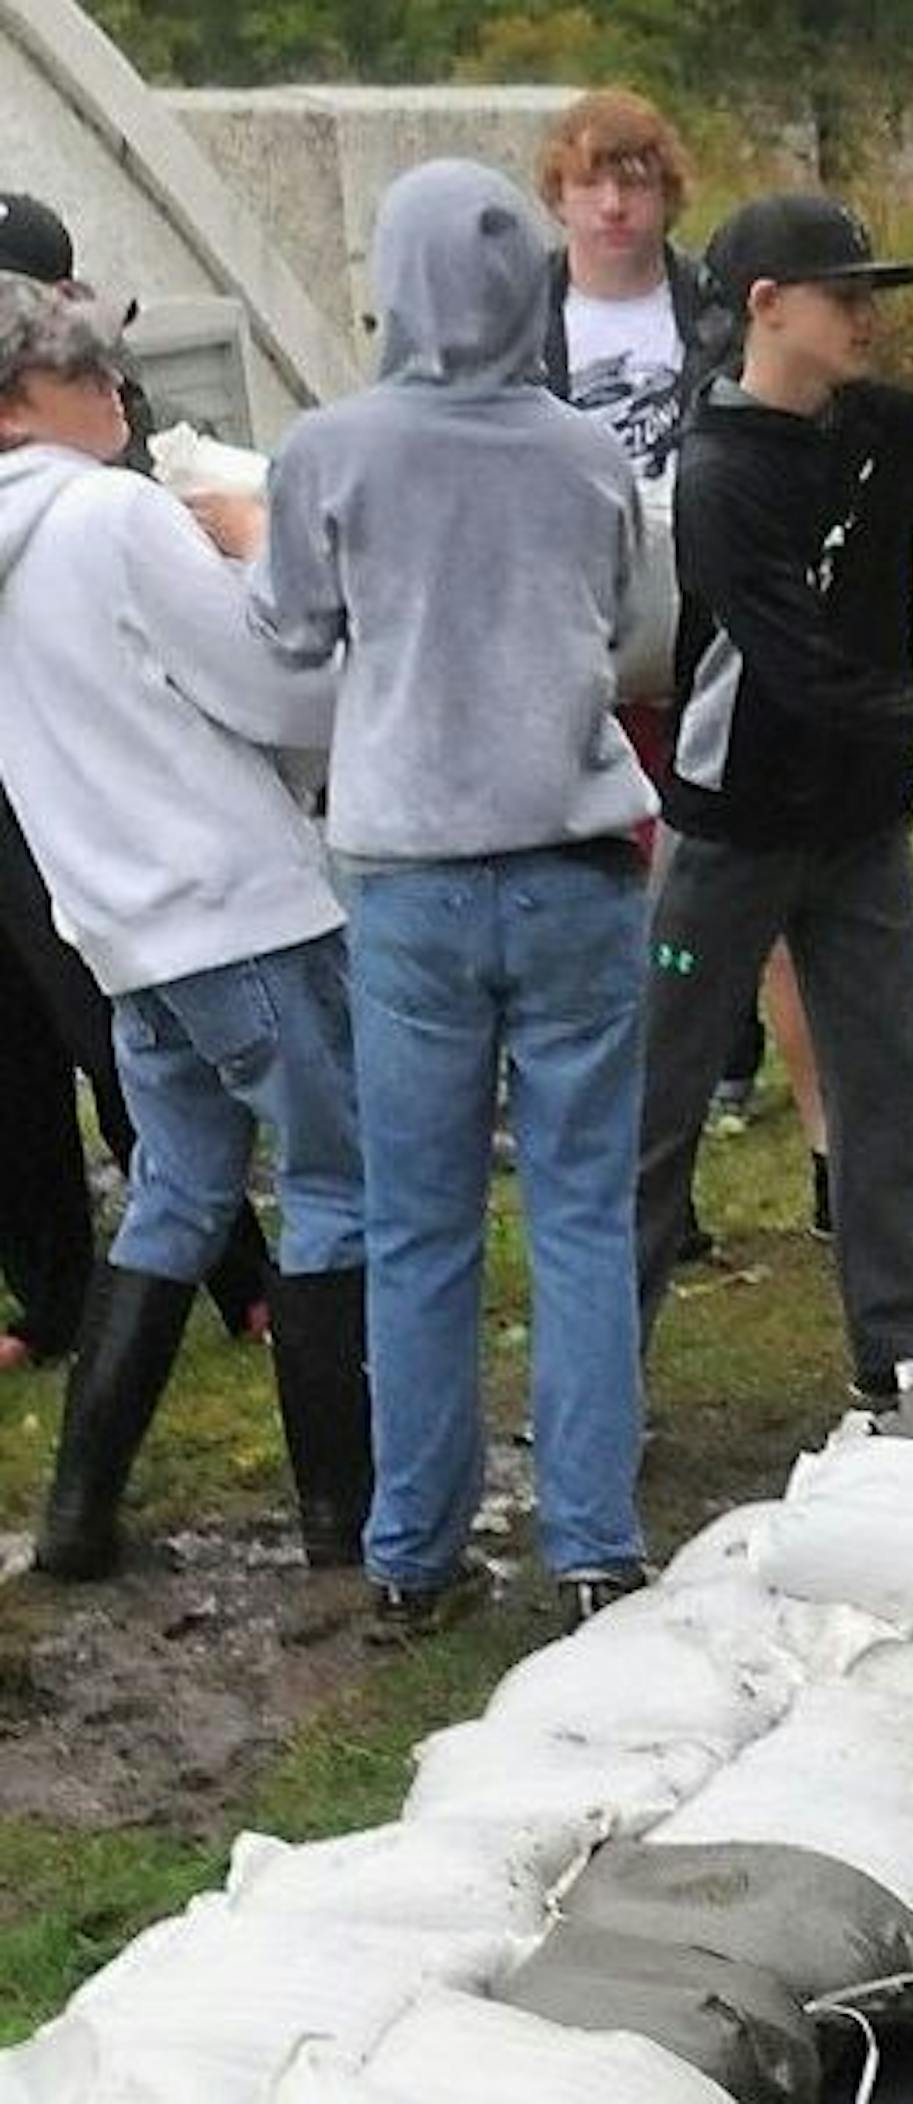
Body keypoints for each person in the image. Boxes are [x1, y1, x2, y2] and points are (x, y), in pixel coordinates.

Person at [214, 160, 659, 1636]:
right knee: (587, 1208)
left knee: (419, 1223)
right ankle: (593, 1541)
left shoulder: (332, 452)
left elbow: (288, 633)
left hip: (409, 874)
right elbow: (632, 627)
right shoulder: (589, 453)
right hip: (577, 859)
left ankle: (414, 1553)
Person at [635, 192, 913, 1399]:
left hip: (865, 822)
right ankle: (602, 1375)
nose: (869, 316)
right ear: (767, 307)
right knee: (655, 1112)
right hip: (729, 833)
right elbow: (808, 676)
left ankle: (900, 1349)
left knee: (886, 1088)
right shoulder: (719, 478)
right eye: (847, 295)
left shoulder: (884, 426)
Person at [0, 272, 369, 1580]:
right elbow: (275, 692)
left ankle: (76, 1519)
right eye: (80, 372)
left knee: (175, 1196)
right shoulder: (115, 514)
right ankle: (345, 1520)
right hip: (237, 910)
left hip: (117, 929)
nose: (113, 387)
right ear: (10, 408)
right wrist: (268, 550)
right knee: (337, 1186)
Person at [537, 89, 832, 1245]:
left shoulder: (713, 305)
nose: (615, 204)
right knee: (623, 912)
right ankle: (654, 1186)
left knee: (764, 895)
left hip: (720, 618)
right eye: (592, 181)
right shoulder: (524, 322)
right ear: (558, 193)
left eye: (638, 180)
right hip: (582, 632)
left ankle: (830, 1158)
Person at [0, 191, 272, 1372]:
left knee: (109, 1025)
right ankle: (48, 1293)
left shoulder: (92, 413)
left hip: (70, 772)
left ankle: (245, 1277)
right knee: (10, 1051)